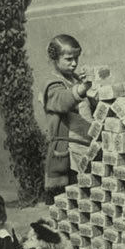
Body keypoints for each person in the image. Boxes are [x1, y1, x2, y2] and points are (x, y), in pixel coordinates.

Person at [40, 34, 95, 205]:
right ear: (54, 58)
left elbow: (89, 107)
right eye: (69, 59)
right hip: (69, 153)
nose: (74, 63)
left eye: (77, 58)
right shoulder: (53, 85)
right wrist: (83, 88)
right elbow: (63, 101)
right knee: (74, 199)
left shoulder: (76, 79)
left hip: (86, 147)